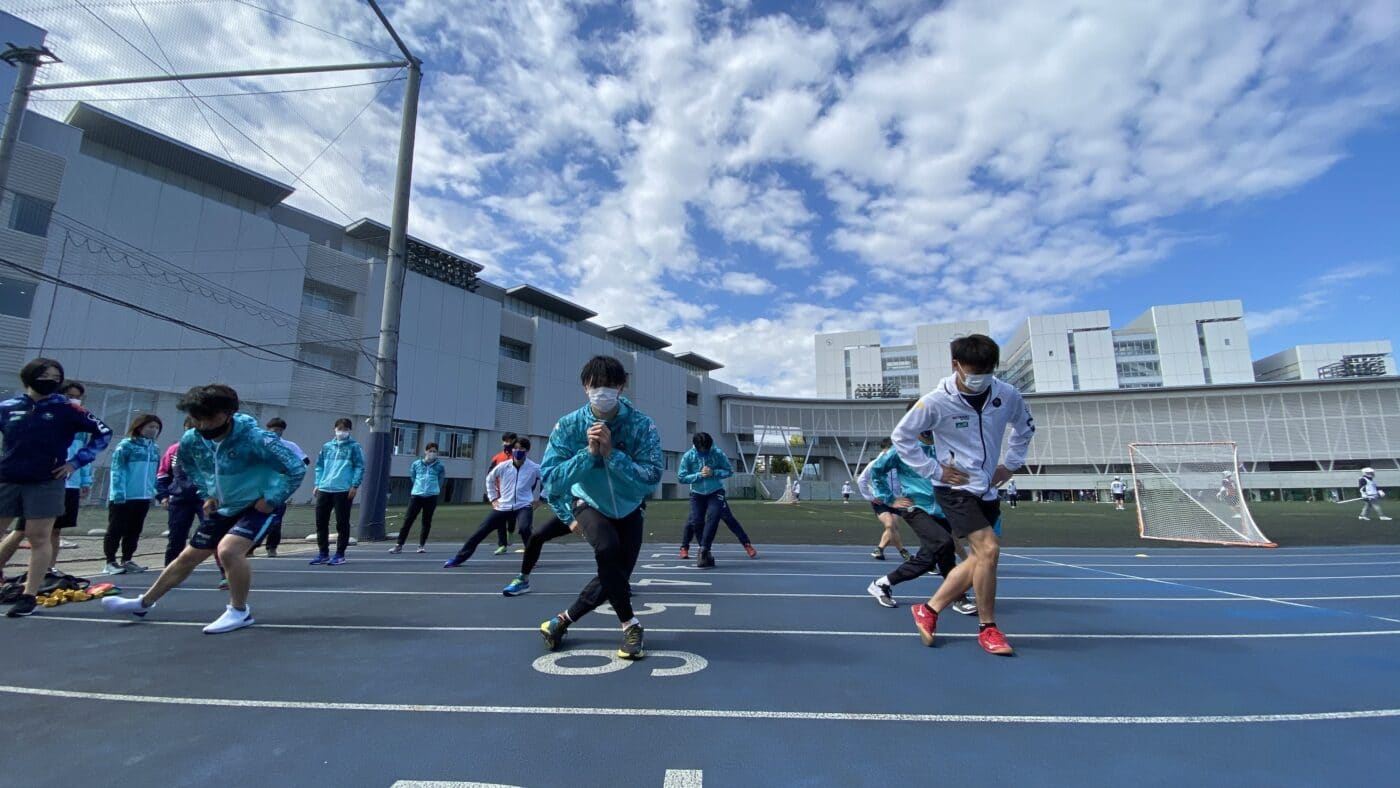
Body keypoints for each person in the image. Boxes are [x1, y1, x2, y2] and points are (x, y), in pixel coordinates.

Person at [102, 384, 306, 633]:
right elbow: (189, 466)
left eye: (208, 417)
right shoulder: (192, 440)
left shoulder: (257, 439)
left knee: (229, 551)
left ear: (228, 413)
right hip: (225, 506)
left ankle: (239, 611)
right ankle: (143, 603)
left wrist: (271, 499)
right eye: (196, 418)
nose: (203, 424)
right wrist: (207, 493)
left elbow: (296, 468)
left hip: (257, 505)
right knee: (187, 558)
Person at [891, 334, 1034, 656]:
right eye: (974, 370)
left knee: (979, 559)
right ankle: (988, 628)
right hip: (954, 488)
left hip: (986, 488)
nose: (980, 377)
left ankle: (928, 609)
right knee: (989, 550)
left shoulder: (1007, 395)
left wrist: (1010, 466)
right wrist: (934, 470)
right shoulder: (935, 401)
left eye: (987, 370)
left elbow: (1025, 428)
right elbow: (902, 437)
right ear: (956, 365)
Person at [537, 356, 663, 660]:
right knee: (606, 550)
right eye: (596, 386)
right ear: (585, 387)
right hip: (589, 504)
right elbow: (551, 480)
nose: (602, 391)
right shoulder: (568, 427)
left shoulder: (641, 425)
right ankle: (631, 625)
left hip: (630, 507)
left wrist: (612, 455)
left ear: (622, 386)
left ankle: (560, 621)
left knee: (616, 576)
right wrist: (590, 454)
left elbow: (652, 477)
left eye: (610, 385)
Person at [0, 360, 112, 617]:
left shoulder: (67, 409)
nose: (50, 380)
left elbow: (104, 433)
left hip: (46, 481)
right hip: (8, 477)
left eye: (55, 377)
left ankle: (29, 596)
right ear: (29, 377)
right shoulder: (7, 407)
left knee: (38, 537)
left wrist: (75, 462)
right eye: (45, 375)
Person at [865, 427, 977, 616]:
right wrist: (890, 498)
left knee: (936, 556)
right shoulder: (904, 448)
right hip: (915, 507)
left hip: (942, 510)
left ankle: (882, 584)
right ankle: (957, 596)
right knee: (944, 542)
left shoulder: (944, 446)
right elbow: (876, 471)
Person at [444, 437, 540, 568]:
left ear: (527, 451)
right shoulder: (503, 466)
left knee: (524, 529)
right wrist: (493, 498)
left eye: (521, 449)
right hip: (503, 505)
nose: (518, 451)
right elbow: (489, 479)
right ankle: (459, 558)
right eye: (515, 448)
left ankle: (531, 559)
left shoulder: (534, 468)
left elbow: (549, 480)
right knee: (481, 530)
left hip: (523, 505)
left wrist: (541, 498)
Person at [678, 432, 755, 568]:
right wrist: (698, 475)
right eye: (701, 450)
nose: (704, 453)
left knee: (716, 516)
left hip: (716, 491)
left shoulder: (717, 453)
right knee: (695, 520)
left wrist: (714, 473)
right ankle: (690, 547)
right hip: (697, 493)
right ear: (695, 447)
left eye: (706, 450)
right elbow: (682, 477)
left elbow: (729, 471)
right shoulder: (688, 456)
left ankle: (705, 548)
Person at [102, 414, 163, 575]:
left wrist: (155, 492)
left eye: (156, 427)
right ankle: (110, 561)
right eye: (150, 426)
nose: (153, 430)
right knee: (116, 529)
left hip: (143, 497)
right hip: (124, 496)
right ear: (139, 427)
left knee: (134, 530)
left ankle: (127, 559)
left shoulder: (154, 449)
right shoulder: (126, 446)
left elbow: (154, 473)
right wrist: (119, 492)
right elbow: (117, 469)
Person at [310, 418, 364, 566]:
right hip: (324, 488)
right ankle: (323, 553)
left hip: (343, 489)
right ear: (334, 429)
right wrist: (317, 483)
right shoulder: (327, 447)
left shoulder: (354, 447)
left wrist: (354, 485)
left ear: (349, 431)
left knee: (342, 522)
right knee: (321, 522)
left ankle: (340, 554)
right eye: (340, 429)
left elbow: (359, 466)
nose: (342, 432)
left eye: (345, 429)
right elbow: (319, 466)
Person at [252, 417, 309, 557]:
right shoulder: (260, 443)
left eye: (279, 430)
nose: (276, 432)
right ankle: (250, 547)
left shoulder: (288, 445)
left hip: (278, 488)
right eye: (274, 429)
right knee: (254, 517)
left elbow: (305, 461)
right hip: (259, 487)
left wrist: (289, 473)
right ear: (267, 428)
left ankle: (271, 547)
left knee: (275, 519)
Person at [156, 418, 204, 567]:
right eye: (188, 428)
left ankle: (225, 573)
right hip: (179, 498)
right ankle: (170, 569)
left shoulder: (210, 448)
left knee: (214, 535)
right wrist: (163, 495)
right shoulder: (174, 449)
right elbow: (163, 474)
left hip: (204, 498)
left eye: (195, 428)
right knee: (176, 536)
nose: (191, 432)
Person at [858, 438, 911, 562]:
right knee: (890, 524)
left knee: (893, 527)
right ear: (887, 449)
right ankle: (903, 551)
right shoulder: (875, 463)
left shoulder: (900, 464)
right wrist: (871, 497)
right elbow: (861, 480)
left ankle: (879, 549)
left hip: (897, 501)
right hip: (881, 501)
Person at [391, 442, 446, 553]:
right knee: (408, 520)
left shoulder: (440, 466)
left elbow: (441, 480)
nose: (432, 453)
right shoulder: (416, 464)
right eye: (430, 451)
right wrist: (418, 488)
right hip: (417, 495)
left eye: (434, 451)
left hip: (431, 496)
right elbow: (413, 477)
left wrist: (434, 490)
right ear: (425, 451)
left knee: (426, 521)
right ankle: (399, 545)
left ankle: (421, 545)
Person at [501, 513, 572, 596]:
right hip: (570, 513)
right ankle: (523, 580)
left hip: (588, 510)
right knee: (536, 538)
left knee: (591, 541)